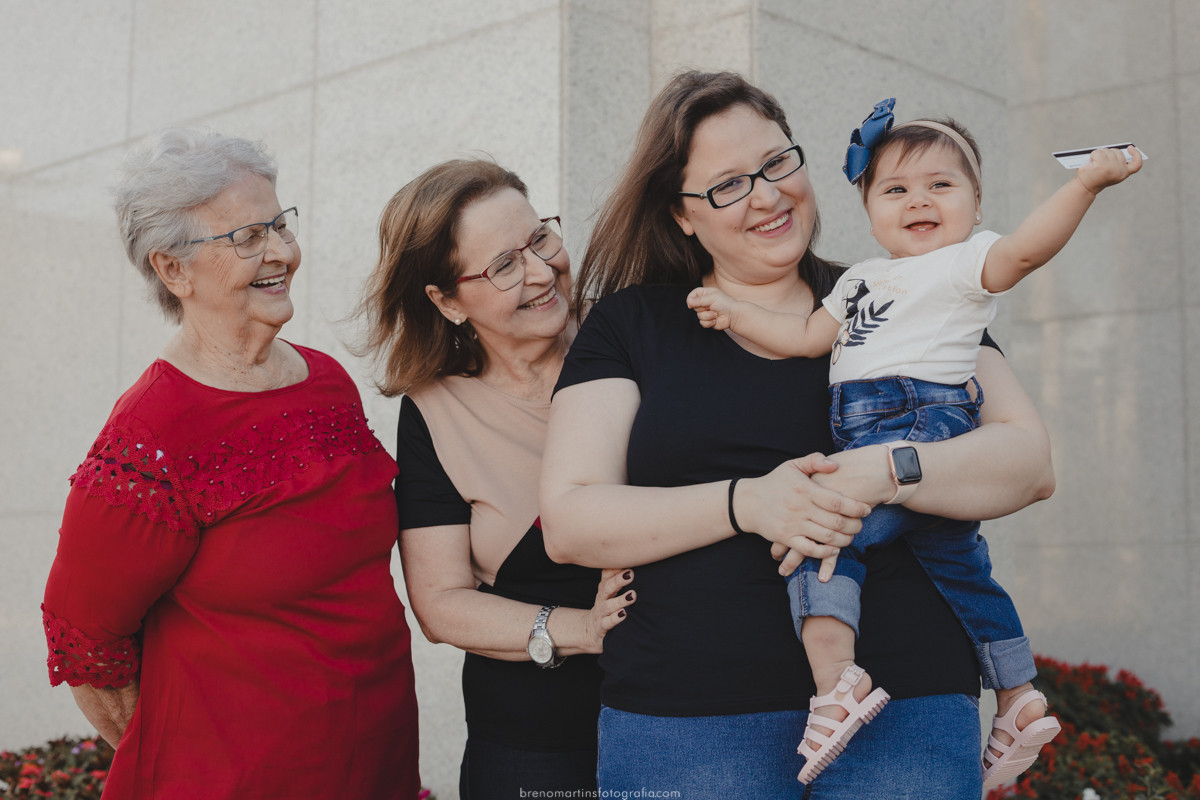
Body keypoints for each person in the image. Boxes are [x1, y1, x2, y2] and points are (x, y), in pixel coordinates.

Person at [539, 72, 1057, 798]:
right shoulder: (632, 323)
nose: (766, 195)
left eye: (777, 162)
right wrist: (748, 502)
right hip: (688, 715)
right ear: (681, 214)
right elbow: (570, 522)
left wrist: (888, 471)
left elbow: (1029, 464)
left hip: (906, 705)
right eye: (728, 185)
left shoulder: (910, 290)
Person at [684, 99, 1139, 786]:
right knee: (958, 566)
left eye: (940, 185)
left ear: (976, 205)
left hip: (924, 419)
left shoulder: (963, 264)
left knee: (825, 534)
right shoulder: (859, 279)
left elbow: (1025, 250)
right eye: (895, 189)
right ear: (869, 210)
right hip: (866, 425)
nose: (919, 200)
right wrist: (737, 313)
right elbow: (804, 337)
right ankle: (1018, 695)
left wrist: (1085, 185)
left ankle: (838, 682)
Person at [41, 128, 420, 799]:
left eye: (280, 225)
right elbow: (87, 642)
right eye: (247, 237)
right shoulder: (151, 433)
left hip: (374, 761)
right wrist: (190, 754)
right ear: (173, 270)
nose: (281, 252)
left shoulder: (328, 382)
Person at [357, 159, 635, 800]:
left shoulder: (629, 333)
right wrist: (584, 629)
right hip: (533, 748)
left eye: (540, 238)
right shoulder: (434, 410)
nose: (541, 271)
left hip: (688, 713)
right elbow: (440, 602)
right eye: (504, 265)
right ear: (446, 301)